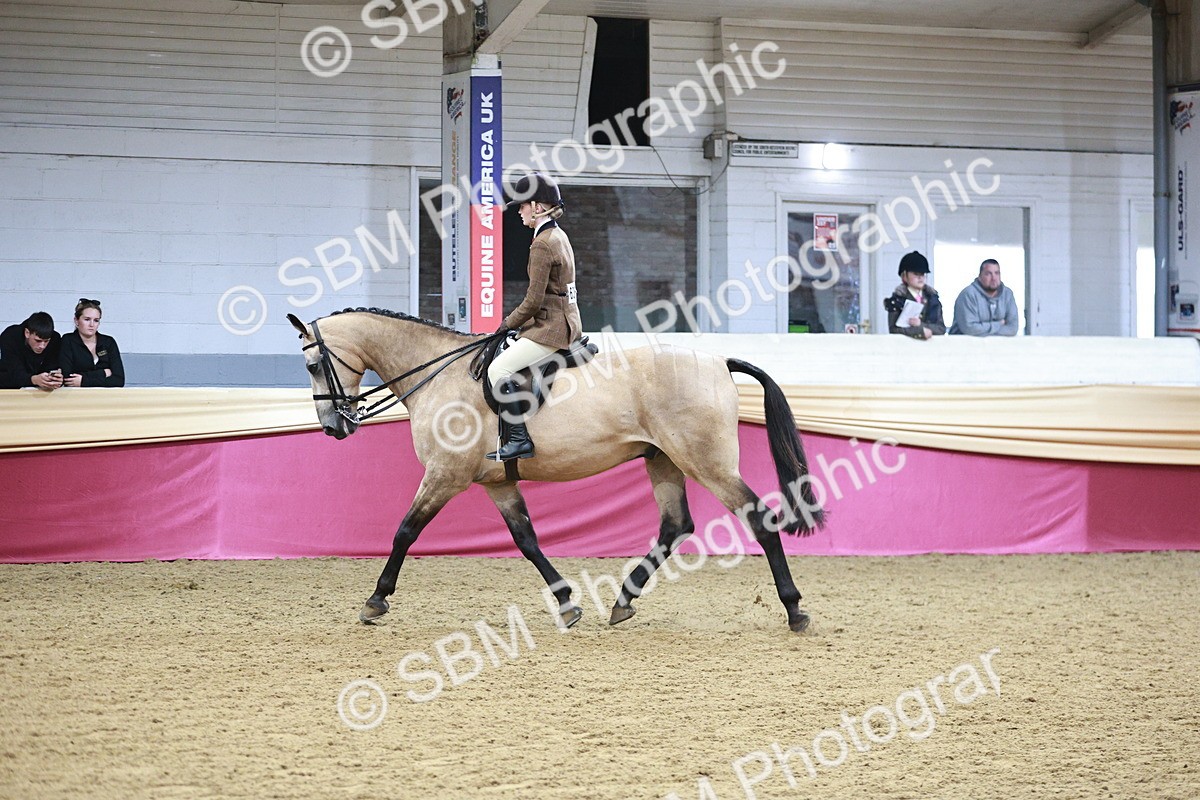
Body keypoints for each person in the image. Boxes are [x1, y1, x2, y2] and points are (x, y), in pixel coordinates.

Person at [485, 172, 583, 461]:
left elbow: (532, 301)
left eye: (523, 205)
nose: (519, 211)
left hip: (552, 327)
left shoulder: (542, 243)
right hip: (566, 320)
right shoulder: (559, 235)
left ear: (539, 207)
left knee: (497, 371)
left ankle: (519, 439)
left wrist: (506, 325)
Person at [59, 298, 126, 387]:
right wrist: (103, 373)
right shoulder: (68, 340)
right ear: (76, 321)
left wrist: (84, 381)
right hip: (76, 397)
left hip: (105, 398)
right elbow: (68, 378)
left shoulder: (108, 342)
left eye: (96, 320)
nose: (92, 324)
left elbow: (119, 380)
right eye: (87, 319)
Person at [884, 251, 946, 339]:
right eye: (916, 274)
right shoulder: (897, 300)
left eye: (923, 274)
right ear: (904, 276)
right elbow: (894, 330)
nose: (920, 278)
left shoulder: (932, 298)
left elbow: (941, 329)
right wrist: (919, 332)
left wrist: (921, 325)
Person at [949, 259, 1019, 336]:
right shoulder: (968, 295)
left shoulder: (1008, 294)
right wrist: (999, 324)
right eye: (988, 274)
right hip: (965, 345)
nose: (994, 278)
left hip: (997, 346)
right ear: (980, 276)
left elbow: (1013, 329)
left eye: (997, 273)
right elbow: (970, 329)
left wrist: (984, 331)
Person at [0, 311, 62, 390]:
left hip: (41, 389)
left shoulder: (55, 339)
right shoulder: (10, 337)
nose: (42, 346)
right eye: (38, 341)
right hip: (8, 388)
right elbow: (13, 372)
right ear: (27, 333)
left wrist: (55, 379)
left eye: (46, 341)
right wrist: (34, 379)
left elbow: (52, 367)